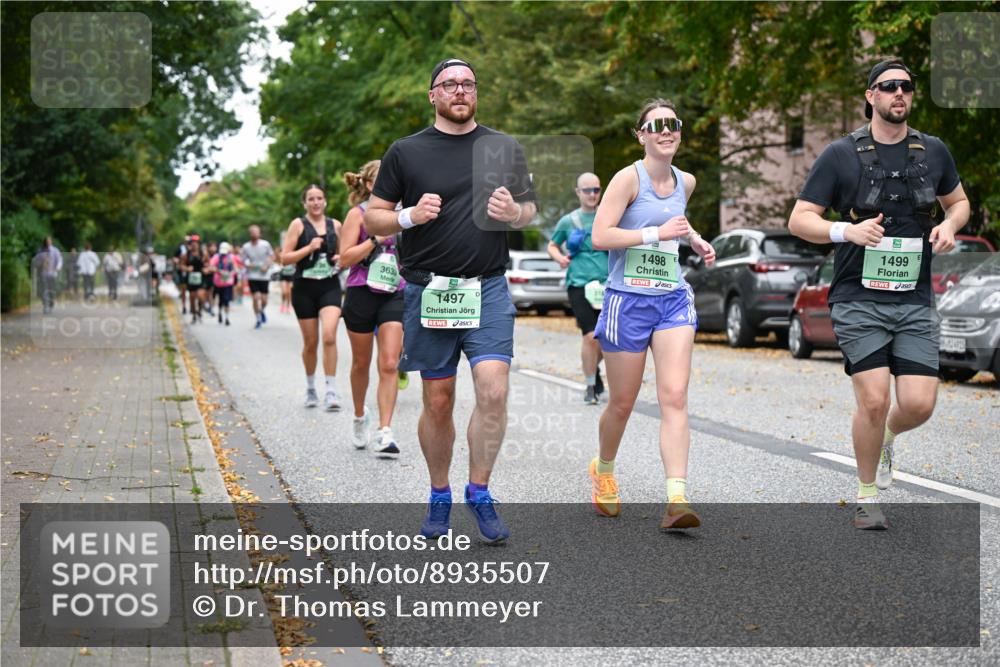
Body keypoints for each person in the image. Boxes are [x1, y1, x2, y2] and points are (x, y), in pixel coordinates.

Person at [788, 59, 969, 530]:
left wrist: (949, 225)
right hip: (857, 296)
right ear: (871, 96)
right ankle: (867, 495)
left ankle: (886, 437)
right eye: (889, 87)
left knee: (917, 404)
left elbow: (960, 202)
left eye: (906, 87)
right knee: (872, 398)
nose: (899, 94)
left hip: (913, 298)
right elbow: (799, 218)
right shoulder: (840, 155)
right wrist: (846, 230)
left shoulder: (932, 151)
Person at [365, 58, 537, 543]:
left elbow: (530, 210)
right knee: (438, 400)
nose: (460, 90)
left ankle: (478, 491)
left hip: (488, 287)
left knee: (493, 389)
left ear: (476, 93)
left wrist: (514, 212)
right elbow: (374, 219)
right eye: (450, 84)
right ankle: (439, 493)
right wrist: (409, 216)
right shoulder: (406, 151)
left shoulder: (503, 147)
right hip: (430, 290)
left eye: (468, 84)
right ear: (433, 95)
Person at [588, 99, 716, 531]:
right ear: (641, 134)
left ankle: (676, 500)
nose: (666, 131)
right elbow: (600, 235)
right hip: (628, 300)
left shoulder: (687, 180)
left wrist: (695, 239)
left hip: (672, 299)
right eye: (655, 125)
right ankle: (603, 469)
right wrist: (654, 234)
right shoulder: (628, 178)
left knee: (675, 396)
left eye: (673, 124)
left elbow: (676, 218)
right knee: (622, 403)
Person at [339, 160, 404, 458]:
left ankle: (384, 431)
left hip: (395, 292)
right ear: (367, 185)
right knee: (361, 363)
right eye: (381, 180)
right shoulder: (358, 215)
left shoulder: (404, 215)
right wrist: (375, 240)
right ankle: (358, 414)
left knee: (390, 363)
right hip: (361, 291)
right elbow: (344, 259)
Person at [280, 184, 344, 410]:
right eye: (311, 199)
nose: (316, 202)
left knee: (329, 336)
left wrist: (340, 258)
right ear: (304, 203)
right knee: (311, 342)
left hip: (330, 286)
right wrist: (308, 248)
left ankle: (331, 391)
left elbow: (346, 253)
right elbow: (285, 258)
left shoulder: (335, 225)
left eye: (319, 198)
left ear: (325, 201)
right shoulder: (298, 225)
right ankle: (310, 388)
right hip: (304, 288)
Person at [547, 172, 609, 404]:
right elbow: (552, 245)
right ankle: (591, 386)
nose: (592, 194)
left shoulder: (609, 217)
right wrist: (560, 258)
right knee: (590, 335)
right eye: (587, 190)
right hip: (579, 285)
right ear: (578, 192)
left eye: (596, 190)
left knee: (608, 339)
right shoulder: (569, 221)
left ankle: (592, 367)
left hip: (607, 285)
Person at [241, 225, 276, 329]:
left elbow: (272, 256)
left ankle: (261, 311)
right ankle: (258, 318)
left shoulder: (265, 244)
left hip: (264, 275)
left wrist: (267, 265)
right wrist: (248, 264)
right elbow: (243, 259)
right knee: (256, 298)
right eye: (252, 232)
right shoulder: (246, 246)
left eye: (256, 232)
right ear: (249, 234)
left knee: (264, 300)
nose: (254, 234)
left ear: (260, 233)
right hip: (252, 275)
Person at [209, 242, 240, 325]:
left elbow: (236, 268)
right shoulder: (216, 257)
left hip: (228, 283)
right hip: (218, 282)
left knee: (226, 300)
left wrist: (231, 273)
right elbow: (211, 267)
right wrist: (219, 271)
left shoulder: (232, 257)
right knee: (220, 299)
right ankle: (219, 312)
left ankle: (226, 317)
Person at [33, 237, 63, 313]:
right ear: (45, 242)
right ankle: (45, 305)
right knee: (44, 290)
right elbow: (35, 262)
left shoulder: (55, 251)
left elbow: (59, 260)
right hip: (43, 274)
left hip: (53, 274)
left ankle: (51, 302)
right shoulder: (40, 251)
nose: (48, 243)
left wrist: (58, 267)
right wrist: (41, 263)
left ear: (51, 242)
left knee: (51, 290)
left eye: (49, 241)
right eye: (47, 241)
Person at [183, 237, 207, 323]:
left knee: (201, 296)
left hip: (201, 277)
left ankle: (200, 310)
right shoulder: (187, 255)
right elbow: (181, 265)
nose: (194, 245)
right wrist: (186, 268)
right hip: (191, 278)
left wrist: (206, 269)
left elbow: (208, 264)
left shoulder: (203, 254)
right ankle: (194, 315)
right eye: (193, 243)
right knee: (192, 298)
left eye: (196, 243)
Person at [174, 236, 189, 313]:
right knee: (183, 288)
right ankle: (184, 306)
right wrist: (178, 262)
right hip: (183, 271)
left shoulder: (194, 250)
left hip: (192, 272)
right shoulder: (180, 248)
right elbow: (175, 258)